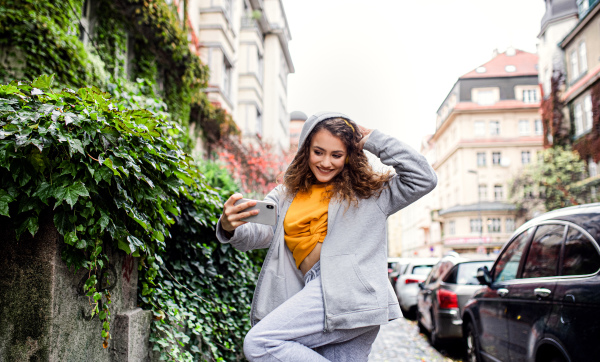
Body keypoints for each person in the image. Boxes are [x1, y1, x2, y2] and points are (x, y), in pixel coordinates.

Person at [216, 112, 437, 361]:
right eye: (318, 152)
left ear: (349, 156)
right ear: (305, 150)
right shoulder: (284, 194)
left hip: (348, 289)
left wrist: (374, 139)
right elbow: (260, 234)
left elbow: (423, 178)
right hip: (312, 290)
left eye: (336, 155)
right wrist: (229, 226)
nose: (326, 162)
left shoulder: (369, 194)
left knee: (261, 342)